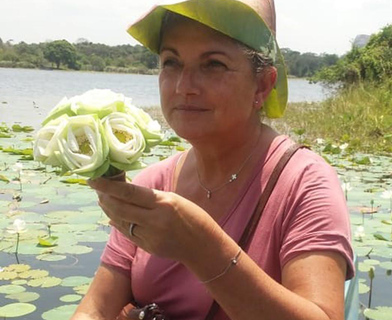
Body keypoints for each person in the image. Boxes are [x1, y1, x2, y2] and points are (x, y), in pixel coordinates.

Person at [71, 0, 354, 319]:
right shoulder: (153, 184)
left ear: (262, 85)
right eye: (171, 62)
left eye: (213, 64)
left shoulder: (304, 183)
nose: (183, 86)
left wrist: (202, 249)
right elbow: (95, 309)